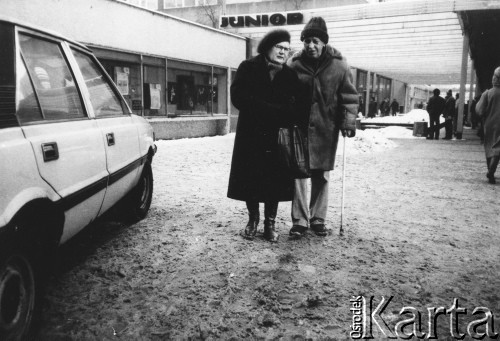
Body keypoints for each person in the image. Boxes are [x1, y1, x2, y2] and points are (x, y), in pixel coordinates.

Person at [227, 29, 305, 242]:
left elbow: (296, 106)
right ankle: (253, 220)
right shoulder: (248, 67)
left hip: (276, 138)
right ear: (268, 46)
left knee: (274, 180)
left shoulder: (290, 76)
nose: (283, 52)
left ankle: (270, 223)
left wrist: (283, 113)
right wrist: (269, 109)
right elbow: (238, 96)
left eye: (287, 49)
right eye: (279, 47)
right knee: (250, 178)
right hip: (251, 135)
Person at [287, 17, 358, 237]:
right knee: (298, 174)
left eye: (315, 41)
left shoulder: (340, 65)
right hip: (299, 127)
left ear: (324, 42)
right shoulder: (294, 63)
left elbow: (349, 96)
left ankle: (318, 218)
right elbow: (285, 93)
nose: (310, 45)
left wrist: (348, 122)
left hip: (326, 128)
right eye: (307, 40)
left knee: (321, 175)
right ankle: (299, 220)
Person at [476, 67, 500, 184]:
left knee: (489, 146)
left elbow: (479, 111)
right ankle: (492, 170)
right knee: (498, 148)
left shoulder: (487, 93)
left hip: (489, 124)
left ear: (495, 79)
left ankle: (490, 171)